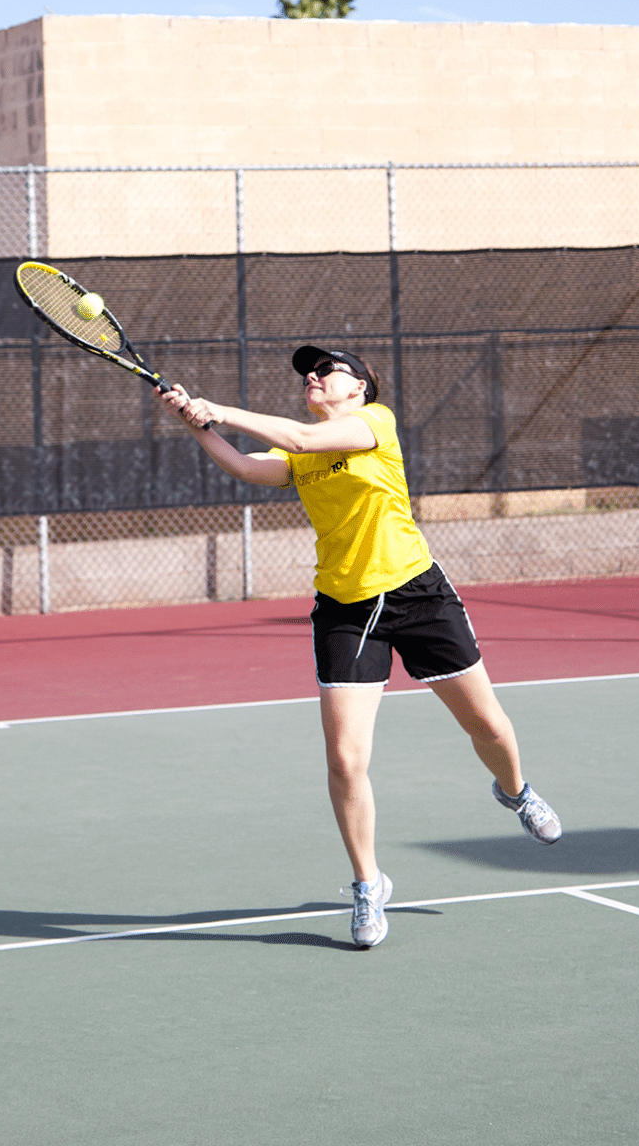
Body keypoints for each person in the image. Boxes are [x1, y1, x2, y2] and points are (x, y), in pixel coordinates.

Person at [160, 344, 561, 951]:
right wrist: (193, 425)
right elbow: (247, 468)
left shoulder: (376, 423)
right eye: (307, 373)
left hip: (417, 596)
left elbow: (296, 438)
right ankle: (369, 884)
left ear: (360, 389)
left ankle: (516, 792)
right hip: (345, 611)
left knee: (489, 727)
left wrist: (221, 408)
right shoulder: (303, 453)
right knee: (346, 760)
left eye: (328, 370)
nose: (314, 376)